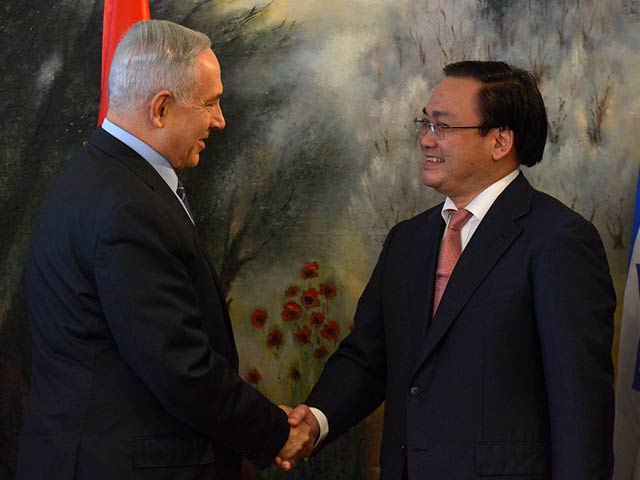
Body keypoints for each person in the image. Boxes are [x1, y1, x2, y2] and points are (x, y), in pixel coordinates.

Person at [286, 61, 616, 479]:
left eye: (442, 127)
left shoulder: (559, 241)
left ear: (500, 140)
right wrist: (315, 419)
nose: (425, 139)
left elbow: (580, 406)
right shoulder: (408, 240)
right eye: (423, 123)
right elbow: (368, 357)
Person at [16, 20, 312, 480]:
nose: (220, 120)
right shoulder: (129, 207)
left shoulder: (96, 175)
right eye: (211, 103)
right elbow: (179, 366)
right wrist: (276, 431)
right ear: (160, 108)